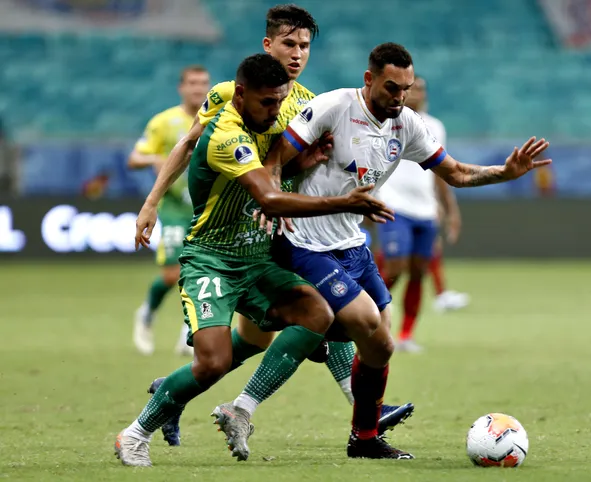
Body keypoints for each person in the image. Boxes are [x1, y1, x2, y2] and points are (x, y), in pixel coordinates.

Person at [221, 42, 552, 460]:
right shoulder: (334, 107)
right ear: (369, 79)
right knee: (360, 319)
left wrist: (506, 173)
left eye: (406, 89)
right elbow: (275, 156)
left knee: (381, 344)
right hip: (305, 241)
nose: (399, 97)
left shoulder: (408, 124)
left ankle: (363, 440)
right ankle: (272, 379)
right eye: (392, 88)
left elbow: (455, 173)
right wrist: (270, 201)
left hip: (351, 243)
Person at [138, 4, 414, 448]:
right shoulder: (232, 93)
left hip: (277, 231)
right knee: (310, 318)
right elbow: (191, 142)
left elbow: (301, 168)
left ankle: (172, 393)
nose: (298, 53)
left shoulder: (309, 103)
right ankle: (360, 410)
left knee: (258, 339)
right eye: (289, 43)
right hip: (234, 231)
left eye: (305, 45)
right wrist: (152, 201)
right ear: (268, 44)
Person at [375, 75, 463, 352]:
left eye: (422, 90)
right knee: (395, 266)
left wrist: (450, 208)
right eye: (413, 90)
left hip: (425, 210)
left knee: (418, 273)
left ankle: (405, 336)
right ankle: (368, 320)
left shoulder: (436, 126)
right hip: (394, 205)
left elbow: (441, 170)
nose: (418, 94)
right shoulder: (386, 121)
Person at [127, 65, 210, 357]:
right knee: (173, 273)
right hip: (175, 208)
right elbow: (134, 157)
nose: (198, 89)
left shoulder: (218, 118)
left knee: (202, 270)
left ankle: (190, 330)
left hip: (208, 208)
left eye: (203, 83)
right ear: (181, 88)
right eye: (192, 83)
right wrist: (156, 159)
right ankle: (147, 312)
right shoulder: (164, 122)